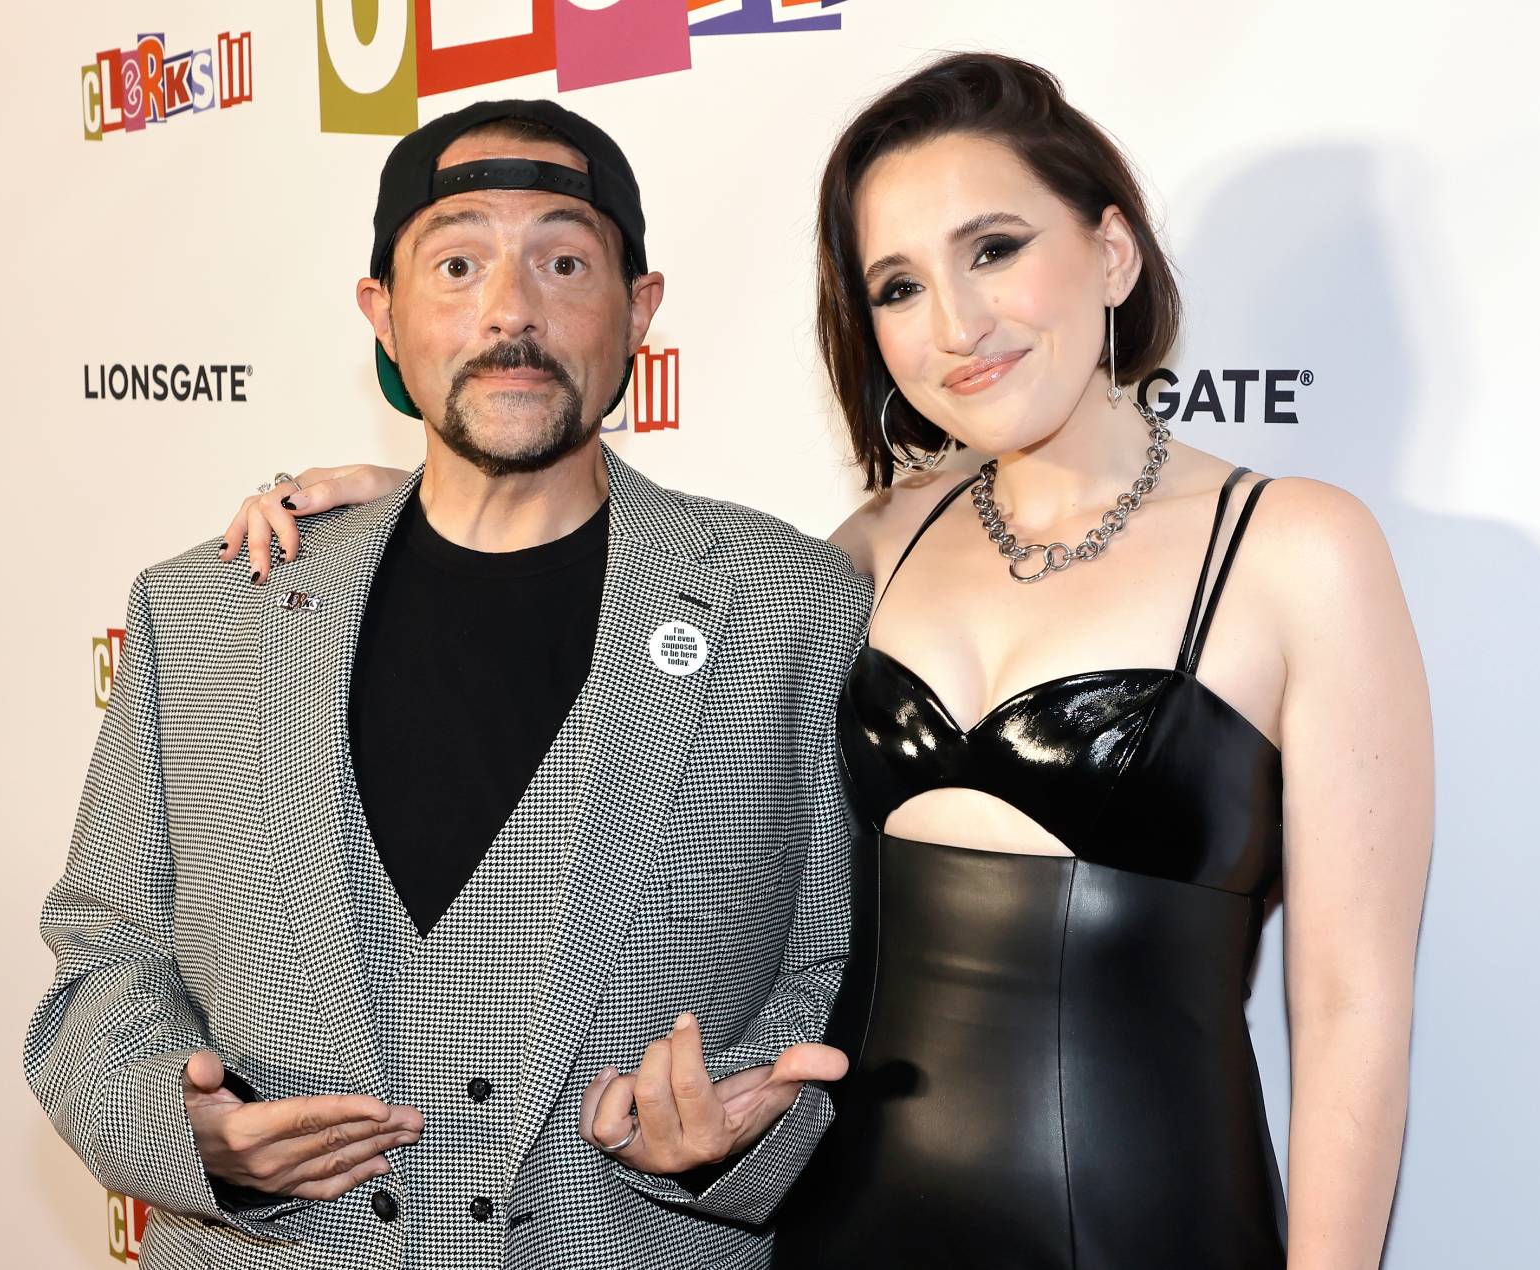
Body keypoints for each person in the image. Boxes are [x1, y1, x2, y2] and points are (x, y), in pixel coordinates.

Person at [230, 54, 1433, 1270]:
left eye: (995, 248)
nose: (956, 325)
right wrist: (419, 510)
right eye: (899, 286)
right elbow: (628, 591)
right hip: (839, 1230)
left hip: (1142, 1229)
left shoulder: (1294, 552)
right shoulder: (870, 549)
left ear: (1111, 252)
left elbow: (1348, 1012)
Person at [25, 99, 868, 1270]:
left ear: (640, 310)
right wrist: (192, 1132)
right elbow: (105, 945)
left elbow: (835, 971)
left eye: (563, 261)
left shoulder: (796, 607)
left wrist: (733, 1141)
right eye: (458, 261)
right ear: (384, 312)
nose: (509, 311)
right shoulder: (207, 608)